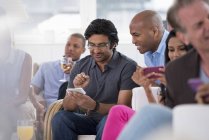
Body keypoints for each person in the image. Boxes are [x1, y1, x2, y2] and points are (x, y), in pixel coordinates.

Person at [117, 0, 209, 139]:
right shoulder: (176, 69)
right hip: (192, 126)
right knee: (150, 113)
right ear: (183, 36)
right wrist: (148, 87)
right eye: (199, 25)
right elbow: (172, 112)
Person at [51, 18, 138, 140]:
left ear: (113, 44)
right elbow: (68, 107)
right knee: (60, 118)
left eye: (102, 45)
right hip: (89, 120)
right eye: (92, 45)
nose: (96, 51)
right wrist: (77, 88)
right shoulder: (81, 66)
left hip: (114, 121)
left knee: (108, 120)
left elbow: (123, 108)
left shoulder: (128, 67)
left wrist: (94, 106)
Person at [102, 30, 192, 140]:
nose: (175, 54)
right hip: (163, 121)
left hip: (182, 122)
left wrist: (170, 85)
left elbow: (192, 109)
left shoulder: (199, 75)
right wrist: (147, 87)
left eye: (181, 49)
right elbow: (158, 110)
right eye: (171, 50)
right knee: (118, 110)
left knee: (147, 111)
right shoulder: (170, 74)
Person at [0, 7, 34, 140]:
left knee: (8, 115)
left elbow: (22, 95)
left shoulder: (24, 58)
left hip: (16, 104)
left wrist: (5, 104)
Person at [30, 33, 85, 110]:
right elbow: (32, 90)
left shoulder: (86, 70)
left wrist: (74, 72)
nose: (70, 48)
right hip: (49, 108)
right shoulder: (46, 66)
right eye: (68, 44)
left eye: (75, 46)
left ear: (83, 50)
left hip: (72, 109)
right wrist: (38, 100)